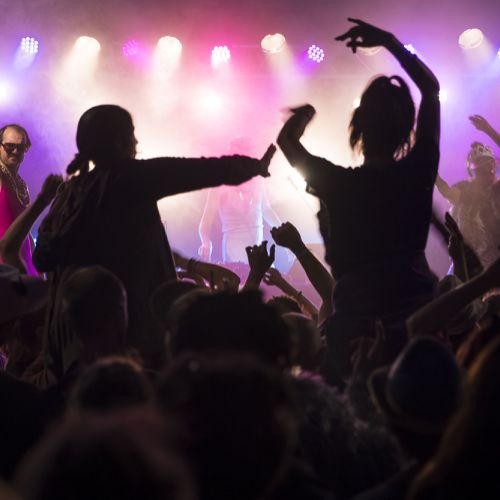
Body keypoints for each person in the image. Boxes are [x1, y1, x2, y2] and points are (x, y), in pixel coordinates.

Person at [33, 105, 275, 374]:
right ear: (120, 141)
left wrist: (191, 265)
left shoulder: (70, 193)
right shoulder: (130, 177)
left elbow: (42, 258)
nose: (136, 141)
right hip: (133, 335)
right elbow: (198, 170)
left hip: (74, 341)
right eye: (132, 133)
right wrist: (254, 166)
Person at [278, 19, 440, 372]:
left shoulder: (337, 183)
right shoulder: (419, 169)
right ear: (407, 130)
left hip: (354, 333)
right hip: (418, 326)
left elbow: (286, 142)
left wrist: (304, 115)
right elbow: (430, 90)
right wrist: (389, 41)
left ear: (357, 126)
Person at [198, 137, 282, 263]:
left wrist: (282, 231)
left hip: (259, 250)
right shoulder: (220, 185)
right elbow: (206, 222)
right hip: (234, 251)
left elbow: (266, 209)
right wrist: (206, 242)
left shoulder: (258, 179)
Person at [435, 115, 500, 268]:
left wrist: (489, 130)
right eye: (480, 170)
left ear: (493, 165)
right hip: (475, 260)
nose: (486, 173)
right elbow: (448, 192)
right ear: (474, 172)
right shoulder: (468, 191)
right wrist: (432, 173)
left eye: (487, 166)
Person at [0, 124, 38, 275]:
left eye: (20, 147)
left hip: (23, 264)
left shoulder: (22, 184)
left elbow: (23, 228)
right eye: (10, 146)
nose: (15, 151)